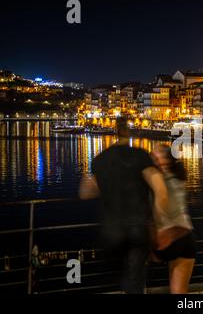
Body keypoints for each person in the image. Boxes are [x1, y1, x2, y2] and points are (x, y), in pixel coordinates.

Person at [79, 117, 168, 294]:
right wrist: (158, 223)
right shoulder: (140, 156)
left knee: (117, 276)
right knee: (135, 277)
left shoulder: (99, 160)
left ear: (114, 132)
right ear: (128, 131)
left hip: (112, 230)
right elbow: (160, 188)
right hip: (138, 227)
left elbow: (85, 192)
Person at [151, 144, 196, 294]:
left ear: (164, 161)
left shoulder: (156, 180)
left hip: (166, 237)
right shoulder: (180, 176)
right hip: (186, 236)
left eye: (155, 156)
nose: (151, 158)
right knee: (179, 291)